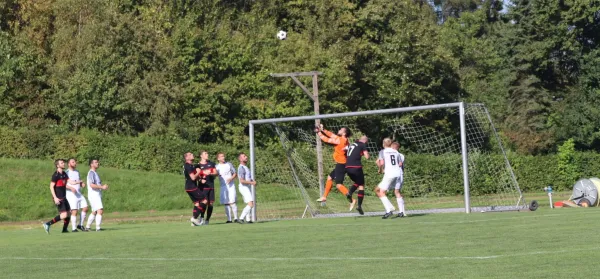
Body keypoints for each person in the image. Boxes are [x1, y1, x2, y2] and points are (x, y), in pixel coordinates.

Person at [314, 124, 352, 204]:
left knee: (338, 184)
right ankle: (324, 197)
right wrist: (323, 129)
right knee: (329, 178)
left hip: (342, 164)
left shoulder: (340, 140)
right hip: (343, 163)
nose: (339, 130)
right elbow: (331, 135)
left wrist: (319, 132)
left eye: (341, 130)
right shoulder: (344, 139)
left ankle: (350, 197)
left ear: (344, 133)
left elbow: (326, 139)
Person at [375, 138, 404, 219]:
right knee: (378, 189)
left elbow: (381, 163)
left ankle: (389, 211)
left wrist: (380, 170)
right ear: (390, 143)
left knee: (381, 192)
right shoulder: (396, 151)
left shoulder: (382, 151)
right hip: (398, 173)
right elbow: (400, 163)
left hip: (390, 174)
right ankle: (396, 209)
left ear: (383, 144)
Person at [43, 159, 71, 234]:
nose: (63, 164)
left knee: (69, 213)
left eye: (63, 162)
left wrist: (79, 182)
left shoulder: (64, 173)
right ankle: (47, 224)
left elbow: (70, 181)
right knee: (64, 214)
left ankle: (64, 230)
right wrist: (55, 198)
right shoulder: (55, 175)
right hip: (58, 198)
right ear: (57, 165)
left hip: (64, 197)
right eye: (62, 163)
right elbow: (51, 187)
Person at [346, 136, 370, 215]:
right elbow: (367, 157)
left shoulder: (352, 144)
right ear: (365, 141)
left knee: (358, 182)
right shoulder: (362, 144)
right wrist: (367, 154)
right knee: (361, 185)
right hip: (356, 167)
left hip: (347, 168)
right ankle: (359, 205)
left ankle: (350, 193)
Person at [183, 152, 207, 226]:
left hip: (189, 187)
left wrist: (200, 179)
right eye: (190, 154)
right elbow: (193, 177)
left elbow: (194, 178)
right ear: (187, 158)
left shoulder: (190, 165)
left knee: (197, 203)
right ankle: (194, 217)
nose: (192, 155)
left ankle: (194, 223)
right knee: (205, 200)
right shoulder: (188, 166)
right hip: (191, 187)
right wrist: (198, 173)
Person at [65, 158, 89, 232]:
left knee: (85, 207)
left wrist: (81, 184)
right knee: (74, 211)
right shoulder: (66, 172)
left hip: (78, 193)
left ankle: (80, 225)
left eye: (75, 162)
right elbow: (64, 184)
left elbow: (78, 181)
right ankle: (73, 228)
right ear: (69, 164)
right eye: (73, 162)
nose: (75, 163)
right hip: (71, 194)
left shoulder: (77, 172)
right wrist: (71, 188)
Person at [85, 158, 109, 231]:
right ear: (91, 164)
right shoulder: (91, 173)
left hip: (96, 194)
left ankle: (87, 227)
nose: (97, 163)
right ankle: (98, 228)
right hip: (94, 194)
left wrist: (101, 187)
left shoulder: (95, 173)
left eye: (97, 162)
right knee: (100, 210)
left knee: (94, 211)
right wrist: (102, 187)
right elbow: (92, 185)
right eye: (95, 162)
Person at [216, 152, 238, 223]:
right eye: (221, 156)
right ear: (218, 158)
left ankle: (236, 218)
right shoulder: (217, 167)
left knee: (232, 201)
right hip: (223, 186)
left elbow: (235, 173)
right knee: (226, 202)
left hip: (231, 186)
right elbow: (215, 175)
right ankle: (229, 219)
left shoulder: (229, 164)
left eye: (223, 156)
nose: (223, 158)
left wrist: (231, 178)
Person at [197, 151, 217, 225]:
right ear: (201, 156)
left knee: (210, 203)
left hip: (211, 186)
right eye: (205, 154)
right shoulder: (198, 165)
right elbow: (196, 176)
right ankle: (201, 217)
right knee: (203, 202)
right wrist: (200, 180)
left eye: (207, 153)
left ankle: (207, 220)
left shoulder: (211, 164)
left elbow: (216, 173)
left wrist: (211, 173)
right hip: (203, 187)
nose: (207, 155)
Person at [237, 153, 256, 223]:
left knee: (249, 203)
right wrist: (251, 183)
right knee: (251, 204)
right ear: (240, 159)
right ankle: (241, 218)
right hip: (243, 187)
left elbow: (247, 178)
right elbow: (242, 181)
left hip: (246, 187)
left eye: (246, 156)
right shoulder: (241, 168)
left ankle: (248, 219)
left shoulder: (245, 167)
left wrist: (251, 181)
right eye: (244, 156)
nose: (246, 157)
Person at [391, 142, 406, 217]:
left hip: (395, 174)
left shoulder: (393, 154)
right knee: (397, 192)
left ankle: (398, 211)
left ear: (394, 147)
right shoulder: (401, 155)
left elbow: (399, 164)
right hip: (399, 174)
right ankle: (402, 211)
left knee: (396, 192)